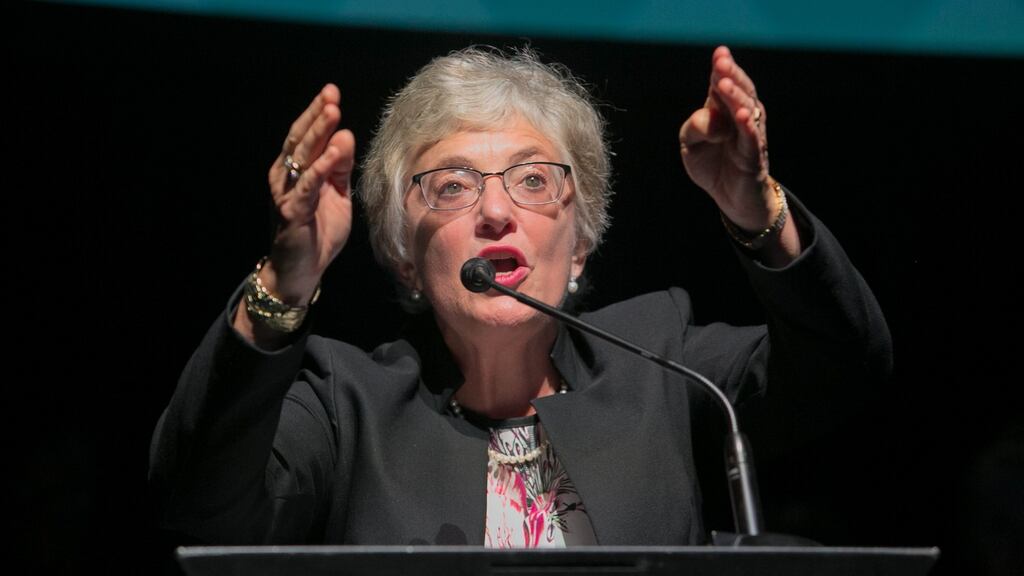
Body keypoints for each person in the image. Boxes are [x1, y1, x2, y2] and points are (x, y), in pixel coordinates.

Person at [150, 45, 890, 547]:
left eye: (534, 180)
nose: (496, 211)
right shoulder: (348, 405)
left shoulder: (662, 366)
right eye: (453, 185)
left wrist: (761, 218)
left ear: (580, 245)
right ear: (406, 259)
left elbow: (845, 366)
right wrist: (285, 281)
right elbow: (204, 508)